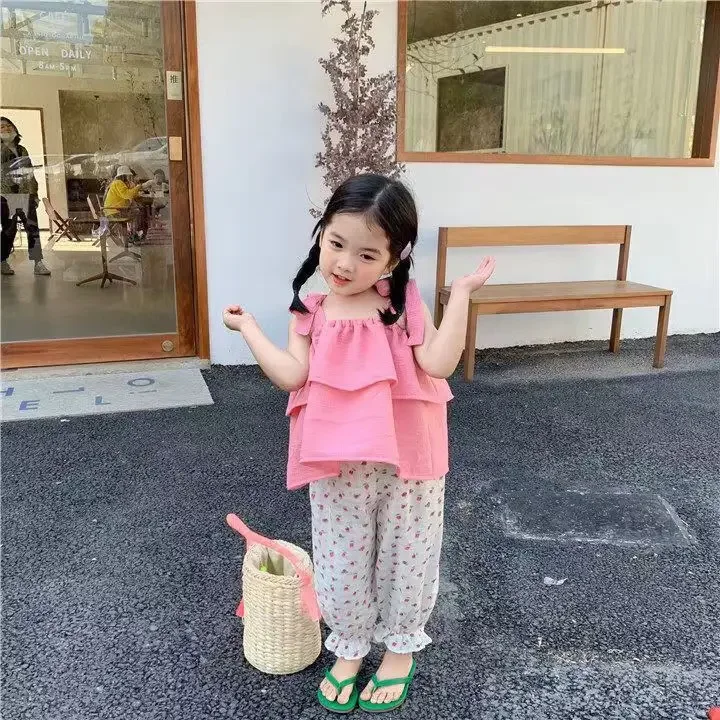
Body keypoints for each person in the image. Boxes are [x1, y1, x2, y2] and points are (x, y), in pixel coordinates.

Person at [223, 174, 495, 713]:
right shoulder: (310, 311)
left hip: (410, 456)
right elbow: (291, 376)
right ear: (321, 232)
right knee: (340, 560)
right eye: (336, 243)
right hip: (337, 460)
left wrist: (461, 295)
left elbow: (439, 363)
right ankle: (349, 647)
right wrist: (250, 327)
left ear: (394, 259)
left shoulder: (402, 302)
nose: (345, 264)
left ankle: (399, 651)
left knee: (408, 556)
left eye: (368, 255)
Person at [1, 116, 51, 276]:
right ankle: (2, 261)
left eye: (9, 125)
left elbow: (30, 173)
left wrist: (34, 194)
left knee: (33, 228)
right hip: (5, 196)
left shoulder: (22, 150)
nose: (6, 128)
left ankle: (38, 263)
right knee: (9, 230)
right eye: (2, 127)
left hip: (25, 195)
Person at [103, 165, 152, 241]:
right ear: (124, 176)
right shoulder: (118, 183)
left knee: (139, 211)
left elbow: (129, 194)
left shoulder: (118, 183)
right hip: (115, 212)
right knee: (139, 213)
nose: (129, 177)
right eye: (128, 176)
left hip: (114, 210)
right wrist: (138, 187)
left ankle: (134, 234)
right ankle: (134, 234)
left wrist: (137, 191)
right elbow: (127, 195)